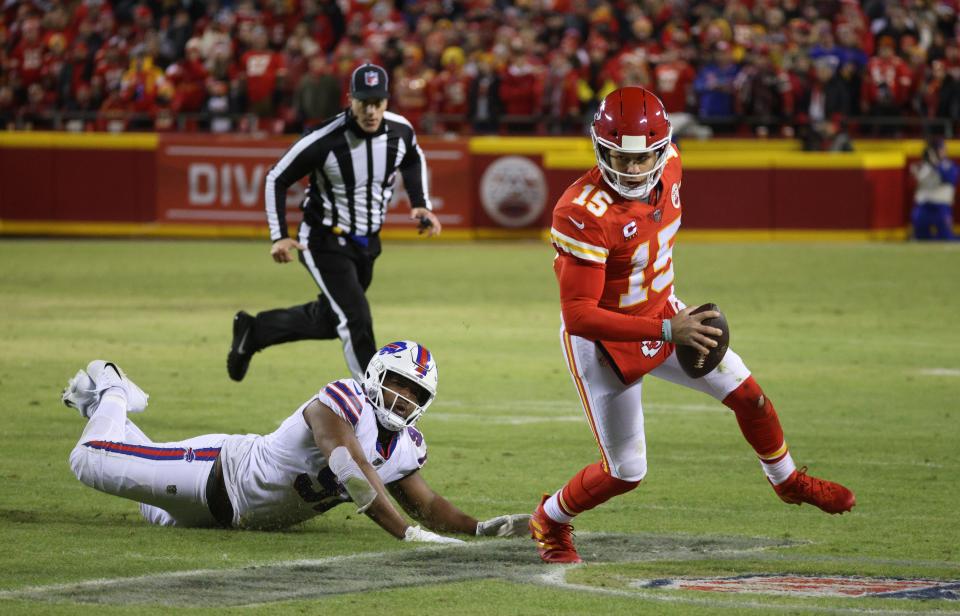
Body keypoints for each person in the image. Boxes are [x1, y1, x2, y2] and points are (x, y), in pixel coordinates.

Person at [530, 86, 856, 565]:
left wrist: (668, 323)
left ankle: (786, 480)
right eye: (619, 158)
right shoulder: (581, 211)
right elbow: (578, 315)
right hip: (605, 339)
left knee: (750, 396)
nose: (633, 170)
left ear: (664, 150)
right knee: (626, 471)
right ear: (599, 149)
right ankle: (550, 520)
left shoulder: (674, 165)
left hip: (665, 312)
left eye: (644, 159)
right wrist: (667, 332)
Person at [63, 340, 528, 542]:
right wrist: (405, 533)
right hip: (211, 473)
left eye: (415, 392)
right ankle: (113, 386)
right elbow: (347, 464)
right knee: (91, 461)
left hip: (215, 520)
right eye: (397, 383)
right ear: (375, 376)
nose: (402, 398)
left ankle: (106, 408)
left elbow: (428, 504)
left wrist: (477, 529)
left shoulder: (407, 446)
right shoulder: (343, 398)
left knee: (146, 496)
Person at [228, 63, 442, 383]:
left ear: (387, 101)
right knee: (356, 318)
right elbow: (277, 177)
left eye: (378, 103)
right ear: (350, 99)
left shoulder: (400, 130)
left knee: (331, 319)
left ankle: (255, 331)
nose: (371, 111)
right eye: (363, 102)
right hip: (323, 240)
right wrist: (279, 236)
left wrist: (420, 204)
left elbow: (412, 157)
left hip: (368, 243)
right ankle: (374, 404)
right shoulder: (324, 138)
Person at [910, 137, 958, 240]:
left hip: (941, 206)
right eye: (940, 149)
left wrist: (935, 164)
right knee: (920, 237)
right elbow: (919, 181)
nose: (942, 152)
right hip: (924, 206)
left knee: (946, 238)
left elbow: (949, 178)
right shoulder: (925, 166)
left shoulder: (947, 165)